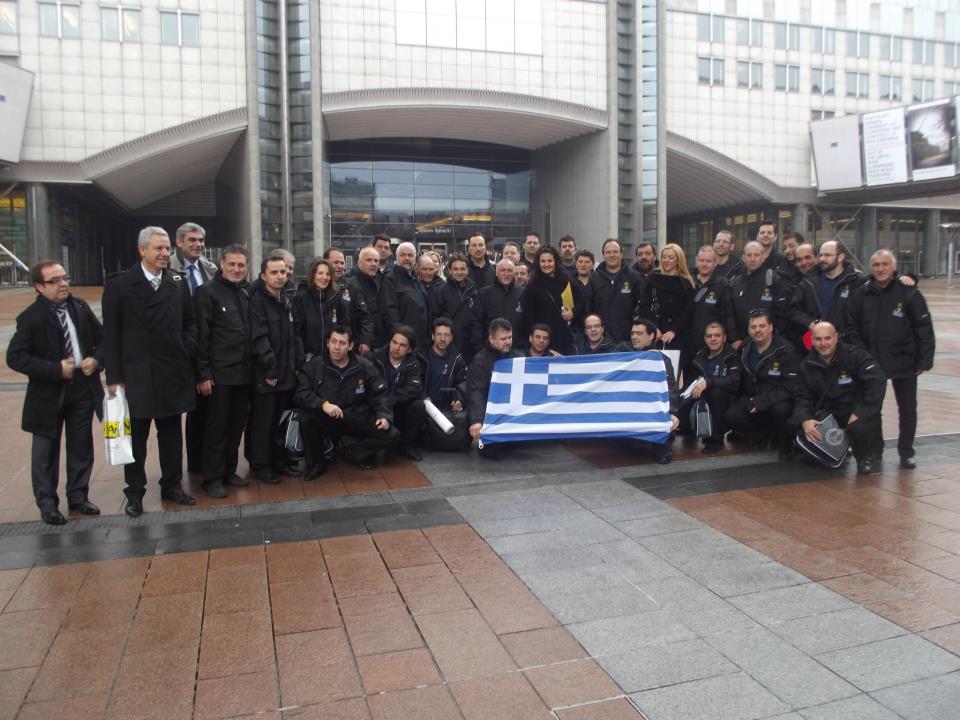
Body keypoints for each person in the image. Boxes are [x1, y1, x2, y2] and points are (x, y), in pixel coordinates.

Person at [102, 226, 197, 517]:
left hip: (171, 371)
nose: (165, 254)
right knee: (137, 439)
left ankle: (172, 485)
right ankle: (134, 493)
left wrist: (185, 347)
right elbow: (112, 335)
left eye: (167, 248)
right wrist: (115, 377)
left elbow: (190, 322)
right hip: (137, 375)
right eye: (158, 248)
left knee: (171, 436)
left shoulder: (177, 282)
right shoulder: (120, 285)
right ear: (142, 250)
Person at [8, 261, 104, 525]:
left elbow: (103, 338)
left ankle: (78, 495)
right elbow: (15, 357)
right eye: (55, 280)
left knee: (81, 445)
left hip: (82, 389)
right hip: (48, 395)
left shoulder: (80, 308)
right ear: (39, 286)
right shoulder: (31, 317)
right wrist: (54, 369)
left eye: (65, 278)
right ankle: (48, 504)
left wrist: (96, 360)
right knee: (45, 453)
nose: (64, 284)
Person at [845, 249, 935, 469]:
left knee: (907, 408)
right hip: (872, 360)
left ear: (893, 267)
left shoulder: (908, 292)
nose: (880, 269)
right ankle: (876, 449)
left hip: (903, 360)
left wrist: (924, 360)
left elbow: (923, 326)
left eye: (885, 264)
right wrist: (861, 355)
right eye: (876, 265)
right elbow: (851, 327)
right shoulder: (861, 293)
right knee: (873, 407)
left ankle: (906, 451)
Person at [294, 325, 399, 473]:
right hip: (327, 417)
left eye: (342, 343)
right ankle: (316, 464)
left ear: (350, 346)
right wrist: (323, 404)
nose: (337, 347)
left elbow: (381, 393)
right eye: (333, 341)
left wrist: (384, 416)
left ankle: (353, 451)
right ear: (327, 343)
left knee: (392, 435)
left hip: (356, 416)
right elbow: (301, 393)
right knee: (306, 418)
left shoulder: (364, 366)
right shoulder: (314, 365)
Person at [193, 245, 253, 498]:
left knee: (235, 426)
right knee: (216, 428)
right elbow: (200, 337)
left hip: (243, 374)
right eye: (232, 264)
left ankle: (229, 470)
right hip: (219, 375)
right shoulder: (207, 293)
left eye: (241, 265)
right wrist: (203, 374)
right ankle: (212, 477)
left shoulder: (245, 293)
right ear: (221, 264)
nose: (237, 269)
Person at [791, 321, 887, 475]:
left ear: (836, 338)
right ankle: (832, 453)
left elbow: (877, 381)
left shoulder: (855, 355)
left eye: (827, 338)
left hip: (855, 411)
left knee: (860, 426)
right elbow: (802, 397)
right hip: (830, 415)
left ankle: (864, 457)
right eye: (818, 339)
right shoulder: (806, 365)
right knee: (805, 429)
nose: (823, 343)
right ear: (812, 341)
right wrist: (805, 419)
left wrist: (861, 412)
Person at [249, 255, 305, 484]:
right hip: (268, 375)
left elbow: (293, 337)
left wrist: (298, 365)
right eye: (274, 272)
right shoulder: (257, 301)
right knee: (264, 423)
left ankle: (279, 461)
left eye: (283, 272)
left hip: (287, 373)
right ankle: (262, 465)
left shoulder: (286, 299)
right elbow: (259, 338)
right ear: (263, 276)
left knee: (281, 421)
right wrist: (270, 371)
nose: (280, 276)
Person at [168, 222, 217, 472]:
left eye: (201, 240)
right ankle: (191, 464)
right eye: (192, 240)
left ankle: (202, 460)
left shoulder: (211, 269)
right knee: (185, 411)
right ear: (179, 242)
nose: (198, 245)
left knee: (205, 408)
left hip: (207, 346)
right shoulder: (168, 270)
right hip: (180, 349)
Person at [724, 309, 799, 455]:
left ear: (771, 327)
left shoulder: (786, 350)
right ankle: (762, 436)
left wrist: (763, 401)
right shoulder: (745, 347)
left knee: (781, 410)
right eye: (753, 327)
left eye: (762, 326)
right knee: (730, 416)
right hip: (753, 399)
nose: (757, 330)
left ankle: (786, 443)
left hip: (778, 400)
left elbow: (791, 385)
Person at [617, 320, 680, 464]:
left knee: (659, 409)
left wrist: (672, 412)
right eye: (632, 333)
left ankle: (660, 448)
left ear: (651, 336)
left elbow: (670, 387)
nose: (634, 337)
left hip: (650, 405)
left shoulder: (662, 359)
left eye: (639, 333)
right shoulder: (622, 349)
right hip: (627, 403)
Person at [679, 323, 740, 453]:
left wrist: (709, 382)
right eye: (709, 336)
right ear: (705, 339)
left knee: (716, 393)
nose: (713, 339)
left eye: (717, 335)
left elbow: (734, 382)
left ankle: (716, 440)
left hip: (727, 399)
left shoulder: (732, 356)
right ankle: (692, 430)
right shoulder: (699, 356)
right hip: (701, 397)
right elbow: (689, 382)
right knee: (682, 403)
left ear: (724, 338)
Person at [467, 318, 523, 452]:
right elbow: (476, 391)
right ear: (492, 339)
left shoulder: (519, 357)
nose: (508, 342)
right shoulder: (480, 360)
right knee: (492, 452)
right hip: (489, 414)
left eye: (510, 337)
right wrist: (476, 420)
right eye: (503, 339)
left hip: (513, 413)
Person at [722, 241, 791, 349]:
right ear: (743, 258)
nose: (752, 259)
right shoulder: (734, 283)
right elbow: (729, 313)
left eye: (756, 255)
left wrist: (774, 338)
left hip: (770, 344)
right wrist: (734, 339)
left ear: (763, 257)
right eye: (749, 255)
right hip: (741, 345)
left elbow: (782, 313)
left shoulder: (774, 280)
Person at [371, 326, 426, 461]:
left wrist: (390, 399)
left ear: (410, 349)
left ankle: (408, 446)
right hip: (377, 406)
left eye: (402, 345)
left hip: (398, 405)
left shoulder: (413, 362)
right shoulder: (375, 358)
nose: (396, 347)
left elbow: (414, 389)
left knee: (418, 406)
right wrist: (383, 401)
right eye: (394, 342)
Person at [636, 243, 694, 365]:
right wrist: (655, 328)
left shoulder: (686, 283)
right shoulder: (653, 279)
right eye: (664, 257)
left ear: (678, 260)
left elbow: (688, 311)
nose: (666, 260)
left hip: (679, 334)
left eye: (671, 257)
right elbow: (644, 306)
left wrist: (674, 331)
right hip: (656, 332)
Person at [791, 240, 865, 337]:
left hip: (847, 343)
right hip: (817, 341)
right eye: (820, 255)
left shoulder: (856, 282)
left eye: (827, 255)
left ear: (841, 257)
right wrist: (810, 323)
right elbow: (794, 310)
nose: (822, 259)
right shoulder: (808, 282)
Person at [522, 246, 585, 356]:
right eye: (543, 261)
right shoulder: (532, 286)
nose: (546, 264)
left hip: (564, 336)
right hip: (542, 340)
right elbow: (529, 318)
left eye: (550, 260)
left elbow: (581, 303)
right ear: (538, 263)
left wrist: (573, 313)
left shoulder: (567, 280)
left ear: (556, 261)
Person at [421, 317, 470, 450]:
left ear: (451, 337)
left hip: (446, 405)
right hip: (424, 404)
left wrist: (459, 399)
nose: (442, 339)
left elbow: (463, 382)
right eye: (439, 334)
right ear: (433, 336)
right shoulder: (421, 356)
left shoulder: (457, 358)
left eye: (446, 335)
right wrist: (422, 395)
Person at [589, 239, 645, 344]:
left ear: (621, 254)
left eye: (615, 252)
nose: (612, 255)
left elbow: (642, 306)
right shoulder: (594, 278)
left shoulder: (634, 277)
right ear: (603, 255)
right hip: (602, 340)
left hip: (629, 339)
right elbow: (589, 308)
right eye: (608, 252)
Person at [295, 258, 352, 359]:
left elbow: (344, 324)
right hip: (309, 357)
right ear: (313, 275)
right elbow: (297, 331)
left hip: (333, 357)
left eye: (328, 274)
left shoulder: (336, 296)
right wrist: (303, 355)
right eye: (320, 273)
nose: (324, 277)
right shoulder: (301, 298)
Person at [471, 258, 524, 357]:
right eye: (502, 270)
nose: (506, 274)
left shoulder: (522, 293)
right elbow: (476, 322)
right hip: (489, 352)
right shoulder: (484, 293)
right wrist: (479, 347)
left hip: (516, 351)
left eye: (510, 270)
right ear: (496, 272)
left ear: (514, 273)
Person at [430, 253, 478, 361]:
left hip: (469, 345)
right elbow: (434, 318)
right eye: (455, 269)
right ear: (450, 271)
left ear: (467, 270)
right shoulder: (439, 291)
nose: (459, 272)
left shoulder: (474, 292)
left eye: (462, 269)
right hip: (447, 344)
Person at [383, 241, 431, 347]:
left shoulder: (416, 279)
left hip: (422, 340)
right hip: (405, 342)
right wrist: (402, 339)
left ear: (415, 258)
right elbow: (390, 313)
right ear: (396, 258)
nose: (407, 258)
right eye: (403, 255)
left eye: (410, 255)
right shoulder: (390, 279)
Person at [687, 245, 724, 371]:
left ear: (715, 263)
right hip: (689, 344)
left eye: (708, 261)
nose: (704, 264)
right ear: (697, 260)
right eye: (702, 260)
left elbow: (726, 314)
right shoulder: (688, 282)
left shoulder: (722, 285)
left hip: (712, 344)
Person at [348, 246, 387, 352]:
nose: (373, 264)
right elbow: (362, 316)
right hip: (362, 346)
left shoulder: (380, 282)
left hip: (379, 343)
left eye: (376, 261)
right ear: (359, 263)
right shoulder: (352, 285)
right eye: (369, 260)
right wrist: (365, 340)